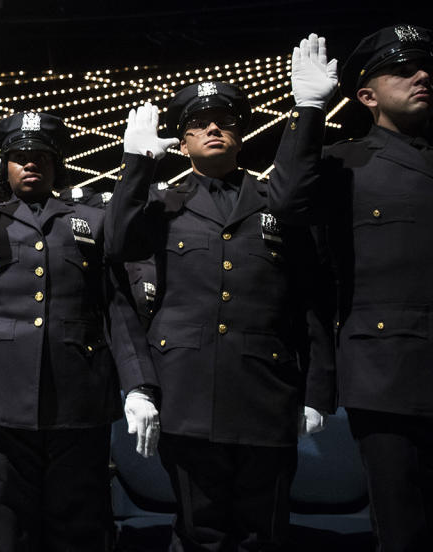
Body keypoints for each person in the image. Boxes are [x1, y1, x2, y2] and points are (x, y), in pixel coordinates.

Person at [106, 82, 335, 550]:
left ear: (241, 133)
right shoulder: (161, 204)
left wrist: (316, 390)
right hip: (186, 392)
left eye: (225, 120)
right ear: (182, 141)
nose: (213, 127)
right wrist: (137, 165)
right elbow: (117, 245)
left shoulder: (278, 200)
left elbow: (310, 298)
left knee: (264, 533)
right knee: (198, 532)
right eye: (197, 123)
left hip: (266, 392)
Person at [0, 113, 158, 551]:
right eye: (18, 157)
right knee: (11, 529)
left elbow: (114, 304)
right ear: (4, 165)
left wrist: (137, 385)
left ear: (57, 165)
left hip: (78, 397)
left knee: (81, 527)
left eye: (41, 157)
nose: (30, 164)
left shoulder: (89, 220)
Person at [271, 27, 433, 550]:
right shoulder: (346, 161)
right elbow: (289, 201)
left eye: (425, 67)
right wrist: (309, 111)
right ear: (365, 95)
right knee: (404, 528)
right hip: (388, 372)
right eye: (403, 70)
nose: (422, 75)